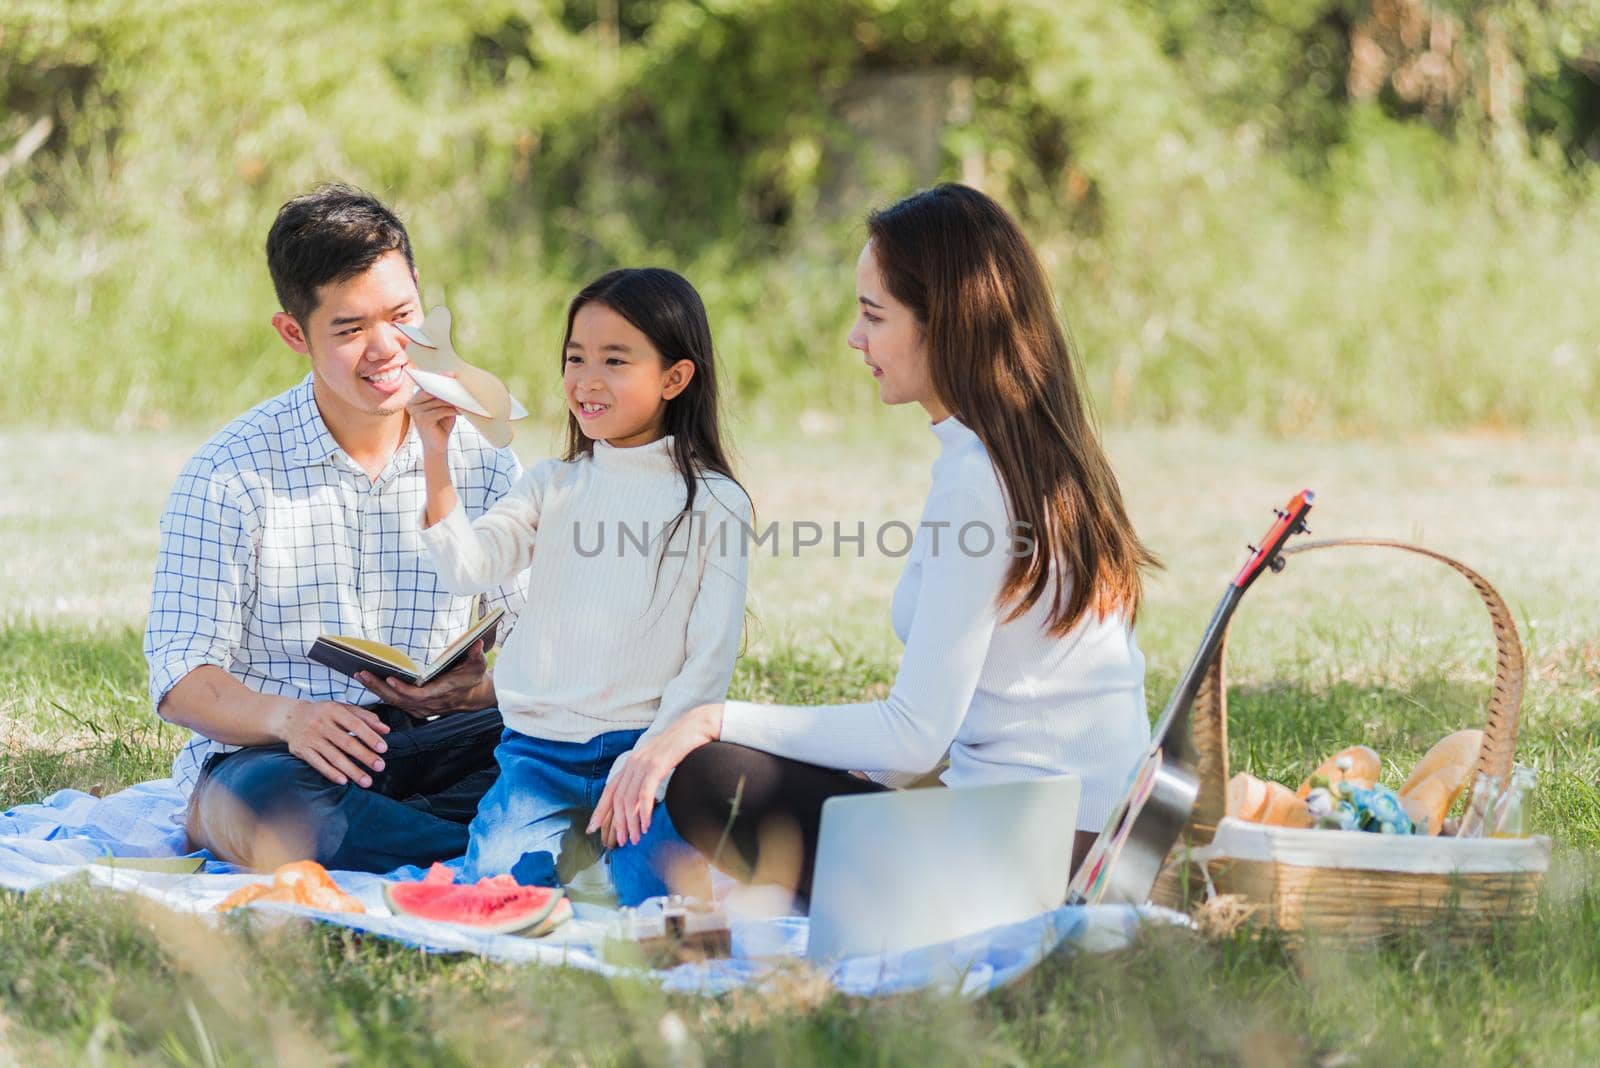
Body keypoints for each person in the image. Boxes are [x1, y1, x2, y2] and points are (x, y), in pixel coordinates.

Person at [591, 183, 1159, 899]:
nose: (855, 338)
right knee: (749, 766)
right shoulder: (1028, 455)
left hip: (1032, 861)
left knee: (709, 776)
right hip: (1077, 840)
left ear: (945, 324)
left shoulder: (980, 480)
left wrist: (709, 719)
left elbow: (916, 734)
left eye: (873, 314)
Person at [145, 184, 525, 872]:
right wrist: (290, 719)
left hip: (438, 743)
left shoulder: (481, 454)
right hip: (285, 758)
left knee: (598, 734)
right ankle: (503, 852)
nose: (387, 349)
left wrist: (473, 692)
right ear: (295, 333)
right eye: (350, 330)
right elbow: (180, 679)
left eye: (402, 315)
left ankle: (431, 841)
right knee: (268, 805)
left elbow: (551, 656)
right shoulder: (229, 474)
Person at [409, 267, 752, 905]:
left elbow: (710, 658)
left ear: (675, 378)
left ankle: (599, 856)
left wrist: (653, 759)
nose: (587, 381)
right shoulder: (551, 486)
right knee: (492, 893)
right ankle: (571, 853)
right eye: (575, 358)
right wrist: (435, 450)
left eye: (615, 360)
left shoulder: (716, 503)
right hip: (538, 759)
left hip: (650, 758)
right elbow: (466, 568)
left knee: (652, 902)